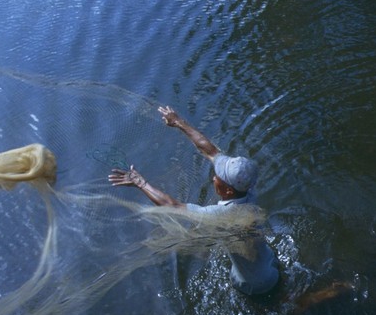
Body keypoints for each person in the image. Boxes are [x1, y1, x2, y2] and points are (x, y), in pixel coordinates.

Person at [108, 106, 280, 296]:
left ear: (228, 189)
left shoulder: (222, 215)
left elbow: (172, 206)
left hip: (253, 285)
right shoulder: (248, 187)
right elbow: (210, 151)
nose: (213, 177)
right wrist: (178, 122)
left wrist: (140, 182)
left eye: (217, 177)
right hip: (270, 263)